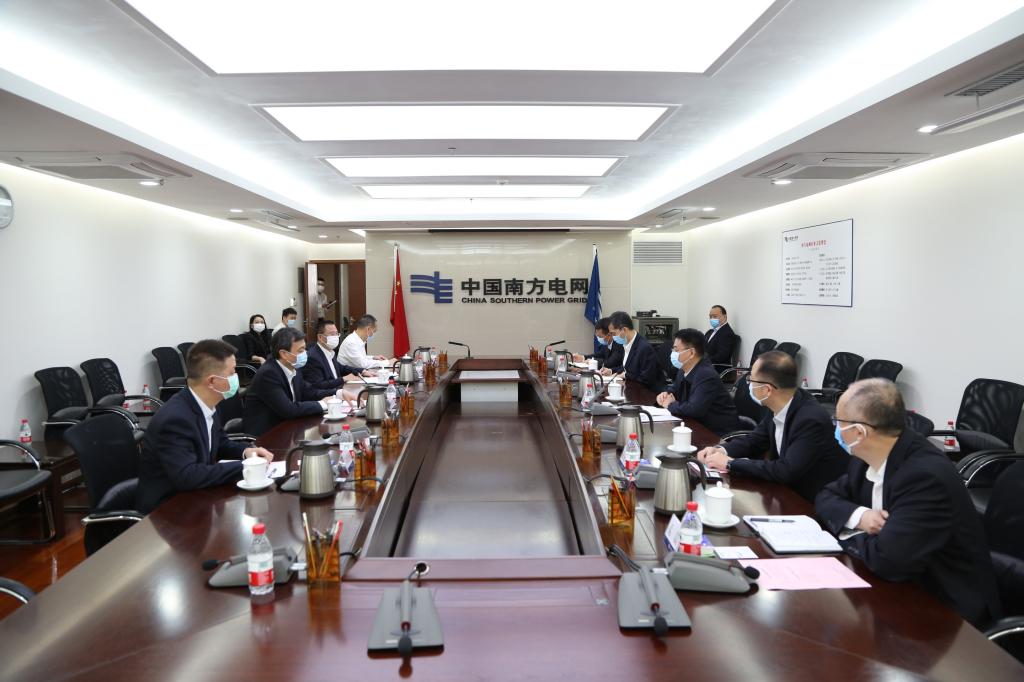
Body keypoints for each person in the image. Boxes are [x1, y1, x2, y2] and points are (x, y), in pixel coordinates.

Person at [815, 379, 1001, 627]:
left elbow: (888, 561)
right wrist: (860, 517)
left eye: (838, 422)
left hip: (945, 612)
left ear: (860, 432)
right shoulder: (867, 454)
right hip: (896, 585)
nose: (835, 428)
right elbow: (825, 497)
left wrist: (844, 534)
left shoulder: (924, 477)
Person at [137, 339, 274, 514]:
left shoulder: (206, 403)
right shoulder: (175, 419)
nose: (236, 377)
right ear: (212, 381)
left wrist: (246, 452)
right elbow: (188, 475)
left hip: (197, 497)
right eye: (232, 372)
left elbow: (221, 443)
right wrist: (246, 466)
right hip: (167, 511)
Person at [697, 350, 846, 501]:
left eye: (751, 380)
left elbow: (786, 470)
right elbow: (755, 441)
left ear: (767, 389)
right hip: (783, 491)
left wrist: (730, 463)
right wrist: (720, 450)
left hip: (809, 500)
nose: (748, 384)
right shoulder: (780, 403)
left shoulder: (810, 420)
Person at [243, 327, 334, 436]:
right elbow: (289, 410)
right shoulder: (268, 374)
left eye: (305, 349)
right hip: (267, 435)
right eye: (300, 350)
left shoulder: (293, 367)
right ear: (284, 354)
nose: (305, 353)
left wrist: (337, 393)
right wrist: (323, 404)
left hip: (288, 428)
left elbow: (308, 391)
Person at [655, 328, 741, 436]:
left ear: (691, 353)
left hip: (717, 433)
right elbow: (675, 388)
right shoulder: (684, 368)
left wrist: (670, 404)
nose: (672, 353)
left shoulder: (706, 375)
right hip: (696, 425)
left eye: (676, 350)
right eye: (673, 349)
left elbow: (694, 409)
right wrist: (665, 395)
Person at [303, 319, 375, 392]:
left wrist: (362, 371)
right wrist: (343, 379)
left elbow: (341, 368)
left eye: (336, 334)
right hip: (328, 395)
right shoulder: (313, 357)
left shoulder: (330, 351)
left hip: (338, 390)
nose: (335, 337)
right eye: (332, 334)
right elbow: (318, 385)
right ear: (320, 337)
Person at [599, 311, 663, 392]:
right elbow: (627, 367)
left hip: (647, 393)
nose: (612, 337)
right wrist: (611, 371)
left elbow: (646, 379)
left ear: (624, 330)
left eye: (613, 334)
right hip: (631, 389)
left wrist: (625, 375)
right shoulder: (626, 343)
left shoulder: (644, 348)